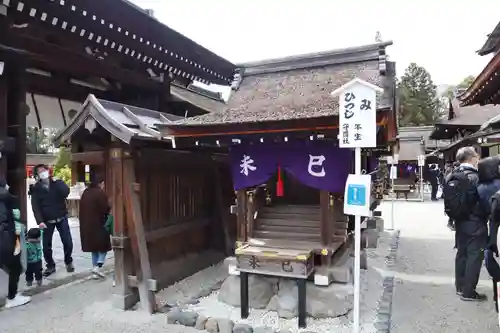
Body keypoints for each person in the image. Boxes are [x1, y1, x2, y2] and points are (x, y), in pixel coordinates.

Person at [444, 146, 487, 301]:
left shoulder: (452, 174)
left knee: (462, 254)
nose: (478, 158)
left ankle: (460, 287)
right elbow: (483, 199)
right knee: (474, 255)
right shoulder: (476, 177)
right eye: (476, 156)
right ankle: (469, 292)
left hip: (459, 221)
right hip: (475, 221)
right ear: (471, 158)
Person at [30, 164, 74, 277]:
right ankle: (50, 265)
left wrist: (58, 182)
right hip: (47, 220)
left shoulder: (56, 183)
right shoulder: (36, 188)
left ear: (48, 171)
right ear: (37, 175)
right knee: (46, 246)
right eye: (40, 172)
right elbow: (35, 206)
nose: (43, 173)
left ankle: (68, 261)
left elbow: (66, 192)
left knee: (68, 242)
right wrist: (40, 221)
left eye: (44, 170)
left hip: (61, 217)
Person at [0, 180, 31, 308]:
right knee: (15, 267)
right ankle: (12, 297)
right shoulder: (8, 199)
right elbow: (14, 221)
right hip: (6, 238)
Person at [79, 176, 111, 279]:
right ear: (100, 183)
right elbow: (105, 209)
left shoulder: (85, 192)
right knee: (103, 246)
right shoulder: (100, 193)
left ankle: (94, 271)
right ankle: (98, 265)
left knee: (94, 248)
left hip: (86, 224)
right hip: (99, 224)